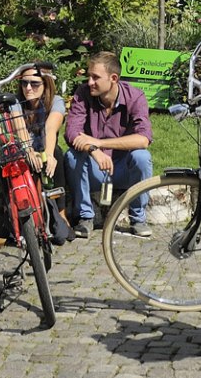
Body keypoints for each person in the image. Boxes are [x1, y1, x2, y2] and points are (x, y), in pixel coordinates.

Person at [65, 50, 154, 238]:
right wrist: (94, 150)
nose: (90, 82)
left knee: (141, 156)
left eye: (95, 77)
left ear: (113, 78)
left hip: (123, 169)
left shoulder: (135, 97)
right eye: (89, 76)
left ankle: (138, 219)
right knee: (72, 156)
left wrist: (98, 142)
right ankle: (85, 217)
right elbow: (72, 133)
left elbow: (143, 139)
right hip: (94, 168)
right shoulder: (82, 94)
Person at [11, 62, 65, 179]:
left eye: (34, 83)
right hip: (24, 149)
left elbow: (50, 128)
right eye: (24, 83)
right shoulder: (16, 102)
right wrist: (29, 151)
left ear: (45, 85)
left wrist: (49, 154)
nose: (28, 88)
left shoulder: (56, 102)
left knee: (56, 153)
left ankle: (59, 195)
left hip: (45, 147)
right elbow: (20, 128)